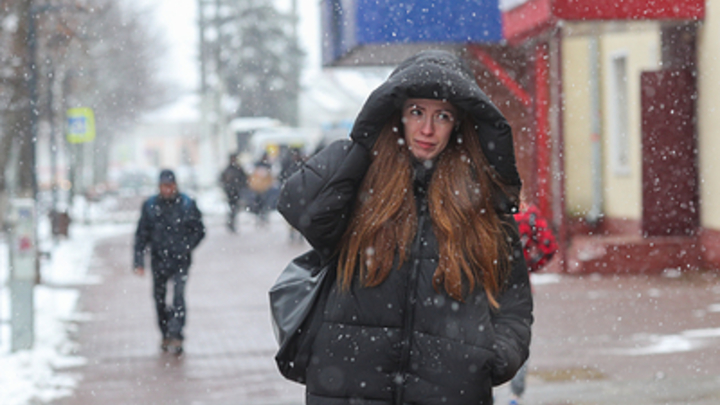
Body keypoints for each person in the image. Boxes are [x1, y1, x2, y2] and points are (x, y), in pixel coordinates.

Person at [277, 50, 533, 405]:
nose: (427, 129)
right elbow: (300, 206)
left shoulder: (481, 204)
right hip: (348, 389)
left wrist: (493, 358)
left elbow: (513, 302)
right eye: (416, 112)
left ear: (457, 124)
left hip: (449, 393)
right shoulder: (361, 187)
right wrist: (364, 140)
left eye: (441, 116)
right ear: (396, 115)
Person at [133, 169, 206, 355]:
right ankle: (165, 332)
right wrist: (138, 261)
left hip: (181, 260)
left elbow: (199, 230)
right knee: (159, 299)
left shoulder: (187, 204)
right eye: (164, 186)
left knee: (178, 297)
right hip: (158, 260)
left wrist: (187, 246)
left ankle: (177, 334)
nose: (167, 189)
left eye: (170, 185)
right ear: (159, 187)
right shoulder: (150, 206)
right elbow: (141, 235)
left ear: (175, 185)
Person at [509, 199, 558, 405]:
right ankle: (516, 395)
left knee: (485, 337)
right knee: (520, 339)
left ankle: (486, 390)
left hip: (488, 288)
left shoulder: (485, 211)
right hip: (520, 288)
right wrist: (529, 266)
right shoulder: (529, 214)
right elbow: (549, 246)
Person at [219, 153, 248, 233]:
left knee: (234, 209)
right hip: (230, 192)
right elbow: (222, 180)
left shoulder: (238, 169)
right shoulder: (229, 169)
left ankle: (231, 222)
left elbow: (244, 179)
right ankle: (231, 222)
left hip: (236, 192)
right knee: (233, 208)